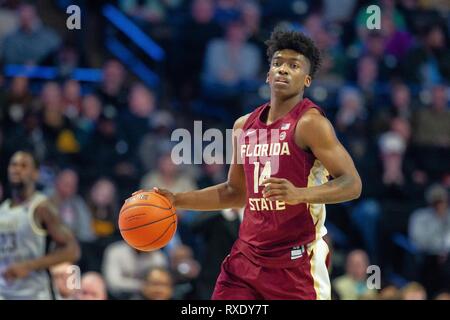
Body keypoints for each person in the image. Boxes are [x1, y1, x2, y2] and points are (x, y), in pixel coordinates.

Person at [146, 29, 362, 300]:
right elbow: (234, 193)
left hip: (295, 265)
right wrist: (176, 199)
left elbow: (352, 183)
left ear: (307, 79)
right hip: (244, 262)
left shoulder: (310, 124)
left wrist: (300, 194)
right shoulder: (243, 126)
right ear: (268, 74)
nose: (283, 70)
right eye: (278, 63)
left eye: (293, 66)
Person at [0, 151, 80, 299]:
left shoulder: (42, 207)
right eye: (13, 164)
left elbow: (73, 250)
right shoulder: (3, 209)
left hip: (35, 293)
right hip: (5, 292)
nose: (16, 169)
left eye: (23, 166)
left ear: (35, 174)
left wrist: (29, 265)